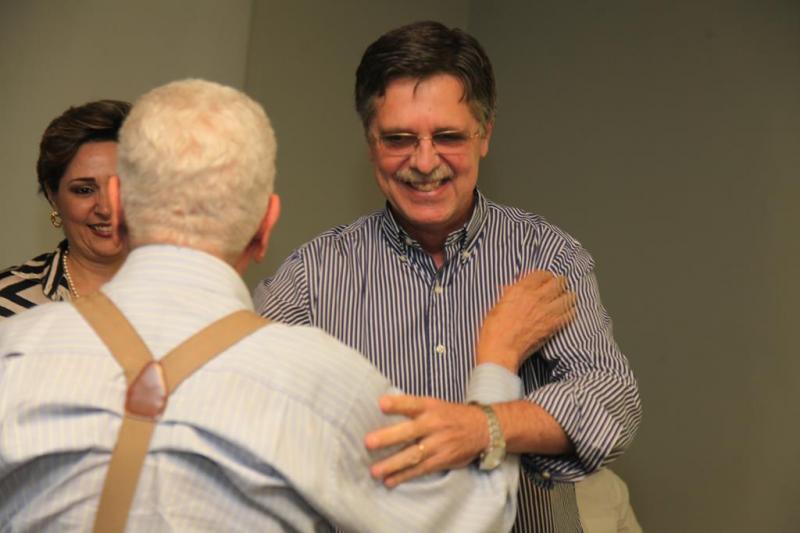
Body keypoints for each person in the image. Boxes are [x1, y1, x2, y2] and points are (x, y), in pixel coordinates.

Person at [0, 79, 577, 532]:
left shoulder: (14, 349)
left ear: (119, 201)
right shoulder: (319, 380)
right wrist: (497, 360)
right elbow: (471, 519)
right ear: (265, 225)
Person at [255, 21, 643, 532]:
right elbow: (242, 397)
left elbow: (609, 400)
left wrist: (483, 427)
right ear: (370, 142)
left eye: (448, 137)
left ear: (485, 136)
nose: (424, 161)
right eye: (398, 139)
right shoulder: (313, 276)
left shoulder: (546, 256)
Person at [0, 99, 131, 318]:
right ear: (53, 196)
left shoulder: (187, 293)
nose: (106, 209)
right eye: (84, 190)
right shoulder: (5, 302)